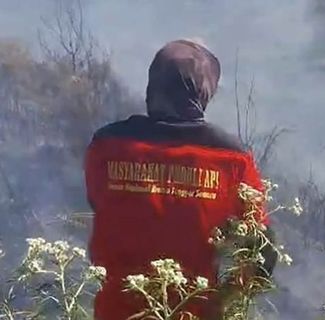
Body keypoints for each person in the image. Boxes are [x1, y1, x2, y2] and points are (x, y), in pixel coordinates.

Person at [84, 39, 277, 320]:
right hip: (194, 312)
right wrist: (225, 299)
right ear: (203, 94)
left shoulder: (107, 144)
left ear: (153, 89)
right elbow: (262, 248)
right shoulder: (231, 158)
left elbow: (98, 201)